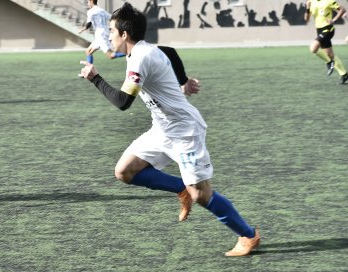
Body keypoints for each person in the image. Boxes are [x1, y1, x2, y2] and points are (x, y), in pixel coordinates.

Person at [78, 2, 259, 257]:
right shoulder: (142, 50)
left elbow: (122, 102)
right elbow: (170, 52)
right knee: (125, 171)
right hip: (162, 128)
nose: (108, 35)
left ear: (124, 34)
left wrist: (94, 78)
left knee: (201, 194)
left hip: (184, 131)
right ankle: (180, 187)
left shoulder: (140, 57)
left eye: (110, 30)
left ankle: (248, 235)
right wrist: (183, 83)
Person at [304, 0, 348, 84]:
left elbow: (342, 9)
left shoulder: (329, 1)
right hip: (319, 30)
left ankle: (329, 62)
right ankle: (344, 74)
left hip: (328, 29)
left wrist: (334, 20)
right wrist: (307, 8)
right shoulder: (311, 2)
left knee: (313, 48)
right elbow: (306, 19)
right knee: (330, 55)